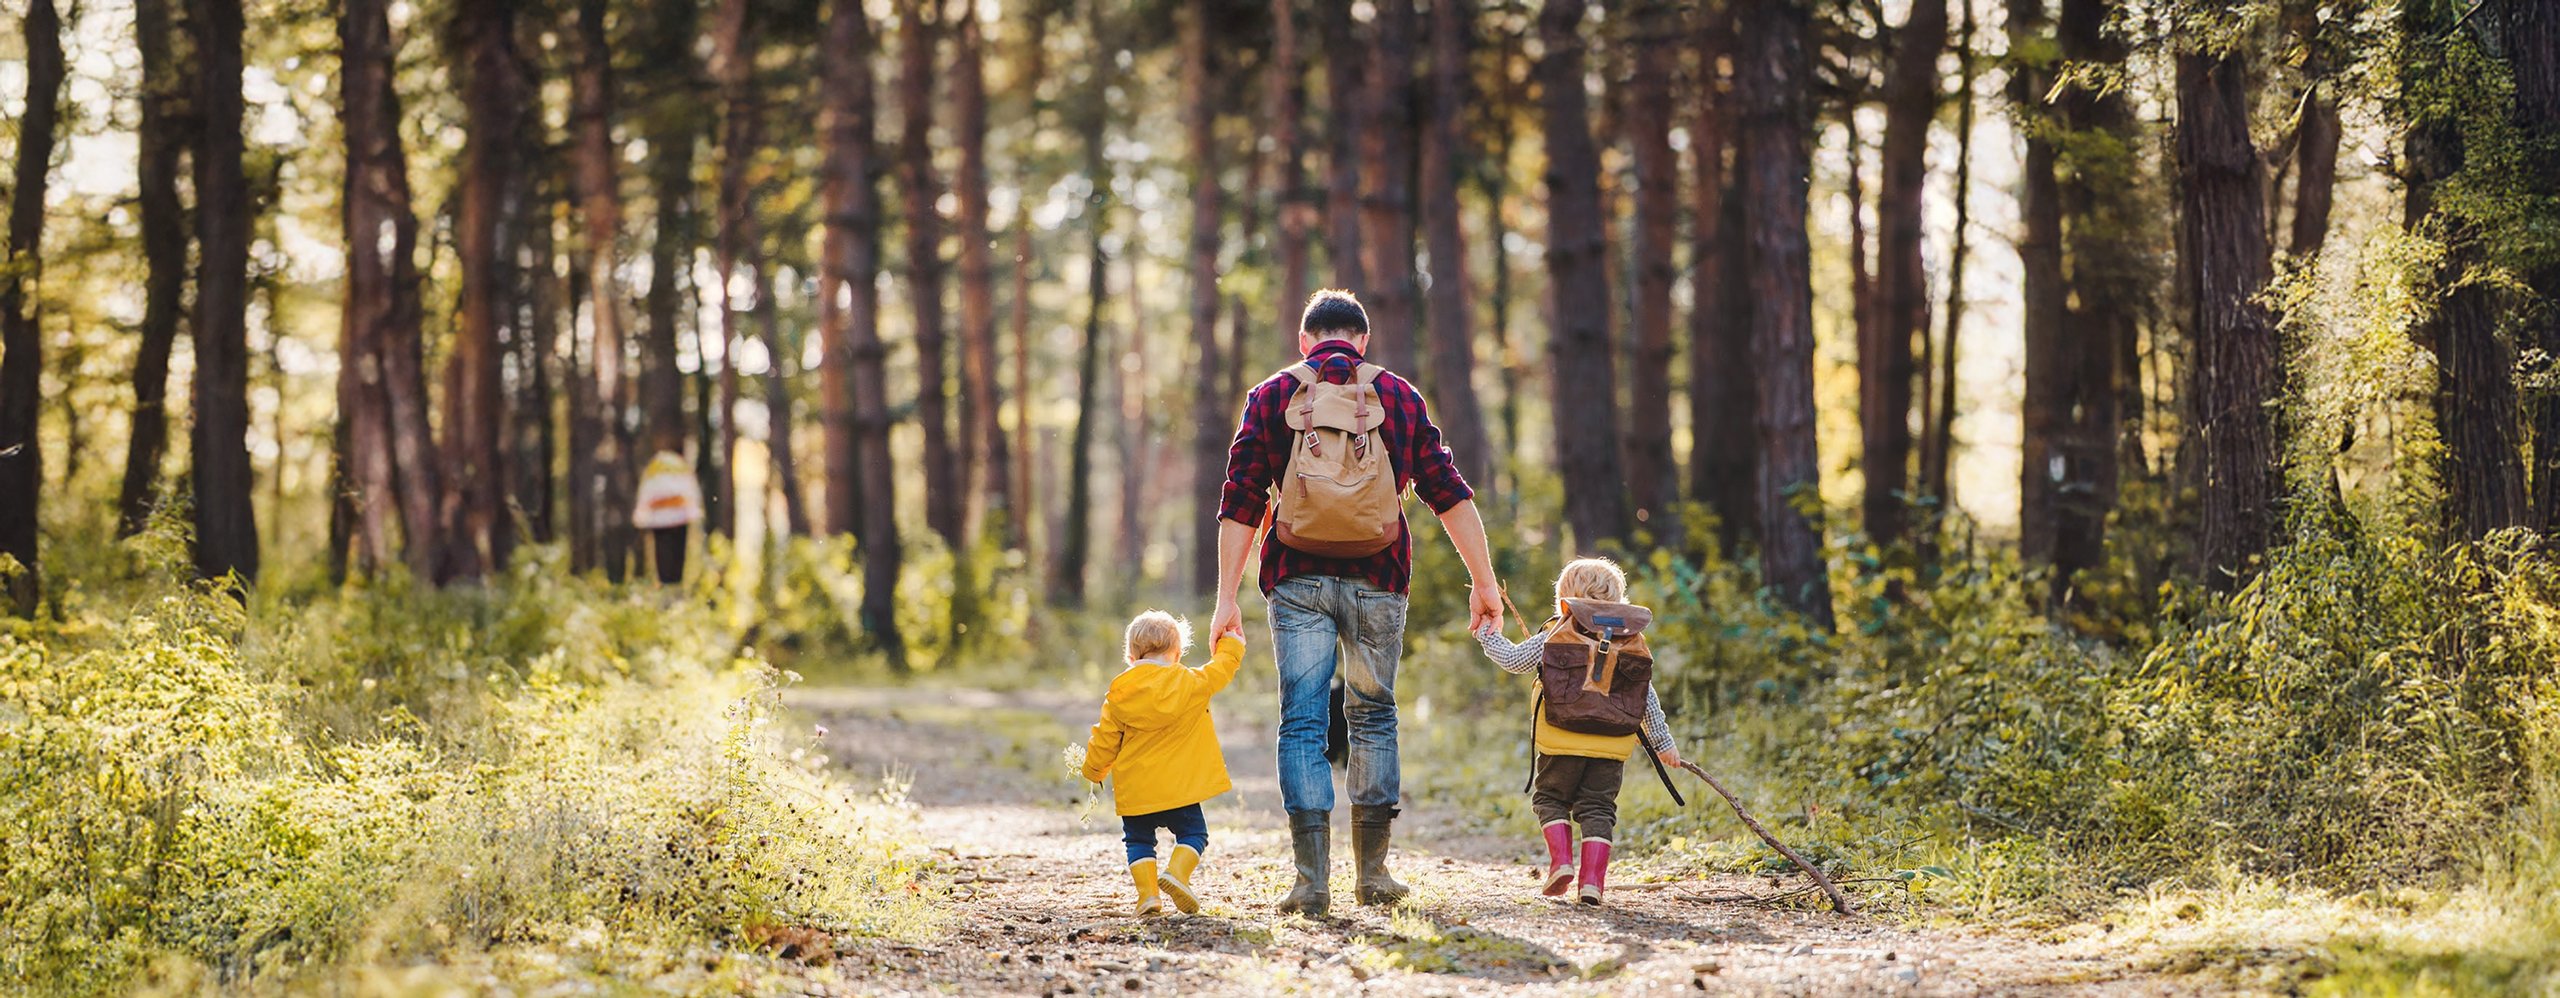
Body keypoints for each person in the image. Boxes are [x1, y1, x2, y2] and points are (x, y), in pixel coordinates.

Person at [1206, 289, 1504, 917]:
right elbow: (1445, 491)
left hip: (1295, 579)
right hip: (1378, 579)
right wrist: (1484, 581)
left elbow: (1240, 500)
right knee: (1373, 715)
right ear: (1363, 341)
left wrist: (1224, 598)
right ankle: (1374, 874)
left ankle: (1310, 882)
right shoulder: (1397, 395)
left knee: (1303, 721)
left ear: (1304, 341)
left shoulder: (1270, 396)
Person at [1473, 558, 1682, 906]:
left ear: (1565, 599)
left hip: (1561, 739)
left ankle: (1561, 863)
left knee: (1550, 799)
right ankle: (1592, 884)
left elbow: (1512, 661)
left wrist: (1486, 634)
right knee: (1599, 808)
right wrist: (1663, 743)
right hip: (1611, 744)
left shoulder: (1556, 632)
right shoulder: (1630, 640)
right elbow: (1645, 696)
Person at [1080, 610, 1246, 916]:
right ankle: (1178, 874)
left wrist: (1093, 770)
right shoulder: (1190, 682)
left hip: (1138, 789)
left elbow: (1105, 739)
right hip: (1180, 789)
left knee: (1139, 840)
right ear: (1177, 654)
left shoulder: (1119, 693)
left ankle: (1148, 897)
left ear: (1130, 655)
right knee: (1194, 834)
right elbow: (1220, 669)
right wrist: (1232, 644)